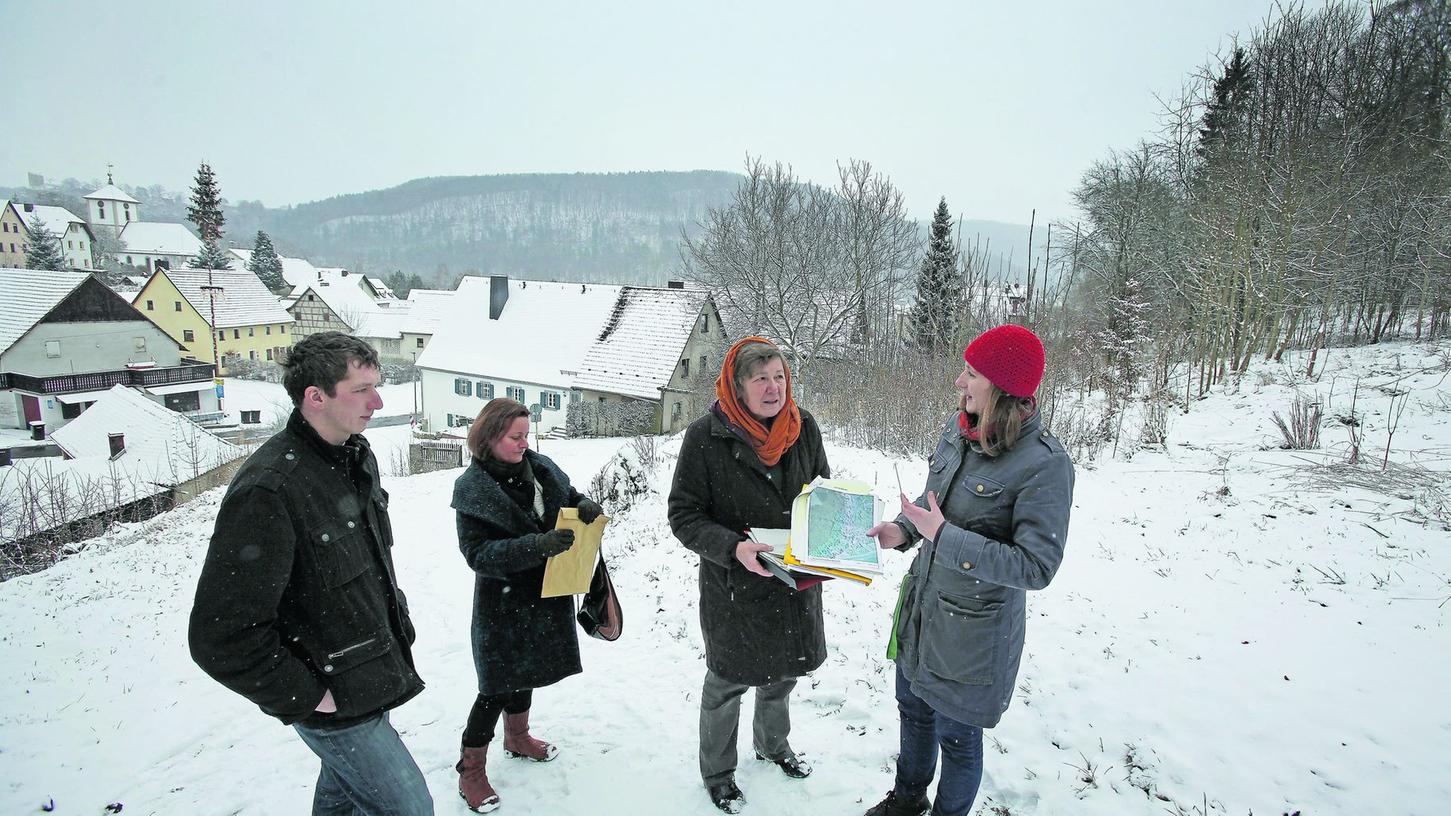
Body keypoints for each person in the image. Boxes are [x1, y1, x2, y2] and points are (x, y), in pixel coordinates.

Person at [188, 331, 432, 816]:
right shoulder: (270, 491)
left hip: (367, 672)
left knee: (343, 799)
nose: (378, 401)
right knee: (409, 807)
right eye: (361, 390)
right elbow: (221, 636)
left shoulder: (354, 455)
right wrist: (308, 696)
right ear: (315, 397)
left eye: (376, 386)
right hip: (333, 695)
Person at [863, 324, 1075, 816]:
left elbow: (1037, 566)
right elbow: (934, 505)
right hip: (923, 611)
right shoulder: (959, 430)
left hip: (973, 635)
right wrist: (903, 530)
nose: (959, 381)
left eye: (972, 373)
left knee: (956, 739)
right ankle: (907, 799)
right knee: (912, 712)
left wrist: (942, 535)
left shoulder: (1045, 466)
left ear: (1001, 388)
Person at [668, 336, 832, 814]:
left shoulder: (804, 430)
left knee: (783, 673)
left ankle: (773, 745)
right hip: (736, 586)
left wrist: (833, 538)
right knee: (727, 682)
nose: (772, 387)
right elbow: (684, 515)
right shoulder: (706, 437)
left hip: (794, 581)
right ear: (737, 386)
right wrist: (732, 547)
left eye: (779, 376)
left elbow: (821, 493)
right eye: (760, 378)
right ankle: (718, 774)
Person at [450, 397, 603, 813]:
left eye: (526, 434)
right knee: (495, 686)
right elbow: (478, 554)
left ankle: (518, 738)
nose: (524, 443)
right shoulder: (473, 490)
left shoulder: (542, 470)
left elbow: (567, 496)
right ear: (490, 437)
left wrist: (582, 504)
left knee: (529, 671)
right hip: (502, 604)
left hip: (546, 593)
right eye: (515, 436)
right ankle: (471, 770)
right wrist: (536, 546)